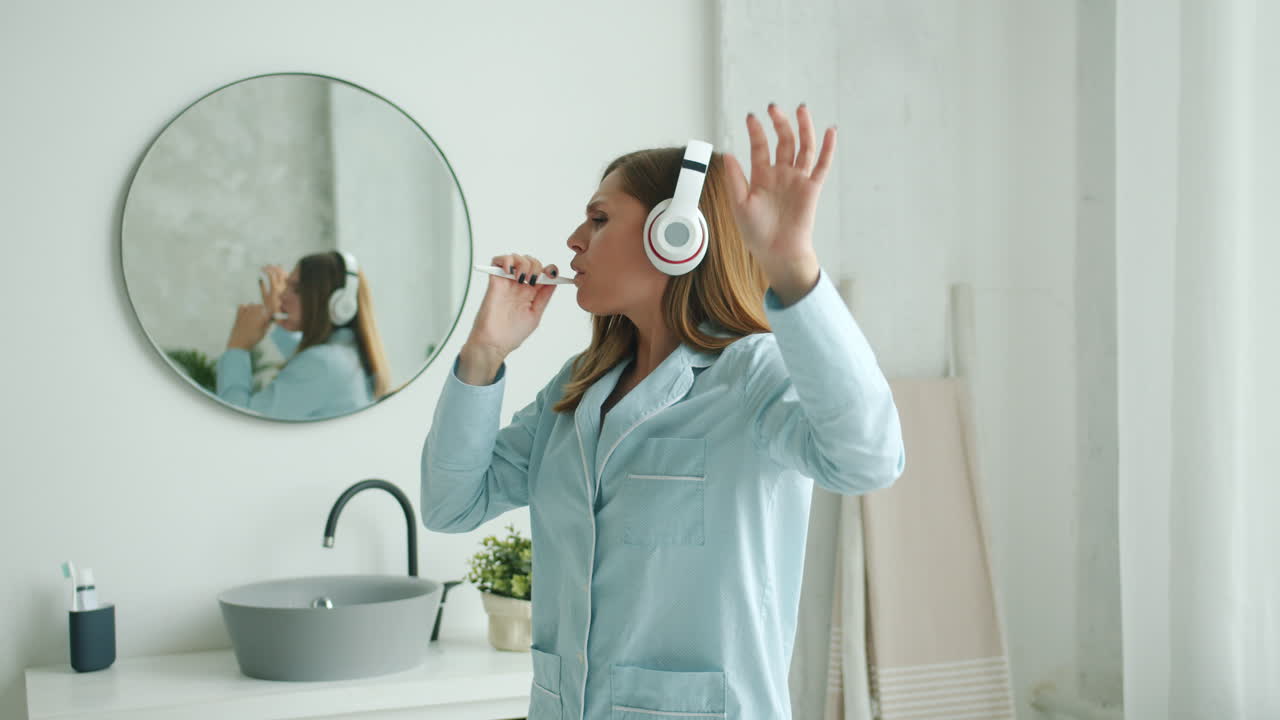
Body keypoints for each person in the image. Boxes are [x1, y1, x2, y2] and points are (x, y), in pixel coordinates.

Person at [421, 104, 905, 719]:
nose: (573, 240)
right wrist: (484, 352)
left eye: (598, 219)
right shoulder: (576, 388)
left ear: (675, 235)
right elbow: (450, 504)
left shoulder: (751, 376)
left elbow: (869, 460)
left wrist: (793, 267)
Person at [216, 250, 391, 420]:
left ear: (338, 305)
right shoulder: (344, 355)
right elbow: (301, 355)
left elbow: (239, 424)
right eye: (287, 285)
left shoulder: (323, 364)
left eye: (297, 289)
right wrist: (278, 317)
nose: (283, 294)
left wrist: (237, 346)